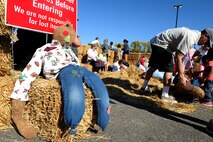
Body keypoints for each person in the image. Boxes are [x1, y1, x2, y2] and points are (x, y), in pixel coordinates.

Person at [10, 23, 110, 139]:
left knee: (99, 85)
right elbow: (29, 73)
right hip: (64, 70)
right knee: (75, 91)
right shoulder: (45, 49)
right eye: (71, 35)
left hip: (77, 68)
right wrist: (17, 108)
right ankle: (72, 125)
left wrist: (71, 30)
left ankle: (102, 120)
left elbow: (77, 43)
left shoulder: (69, 50)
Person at [140, 27, 213, 103]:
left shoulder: (192, 35)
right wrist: (181, 76)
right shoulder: (191, 37)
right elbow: (179, 56)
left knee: (153, 67)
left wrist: (180, 72)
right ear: (205, 35)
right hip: (163, 44)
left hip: (157, 42)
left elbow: (177, 56)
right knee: (169, 70)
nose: (205, 45)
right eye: (207, 42)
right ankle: (165, 95)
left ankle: (143, 87)